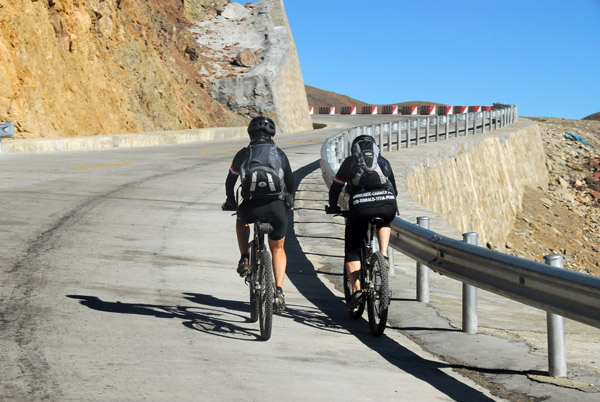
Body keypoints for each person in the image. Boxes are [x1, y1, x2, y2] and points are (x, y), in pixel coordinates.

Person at [222, 116, 294, 312]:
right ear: (272, 135)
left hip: (251, 206)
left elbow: (230, 181)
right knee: (278, 249)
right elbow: (290, 181)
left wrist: (231, 201)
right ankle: (278, 292)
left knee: (241, 221)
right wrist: (290, 200)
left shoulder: (244, 154)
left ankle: (245, 258)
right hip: (276, 207)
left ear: (250, 134)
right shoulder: (279, 154)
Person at [325, 134, 398, 310]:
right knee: (384, 222)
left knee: (352, 249)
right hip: (388, 204)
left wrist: (334, 206)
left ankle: (357, 290)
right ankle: (383, 254)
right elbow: (394, 188)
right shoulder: (383, 161)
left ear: (354, 149)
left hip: (360, 207)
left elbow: (336, 187)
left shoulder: (350, 162)